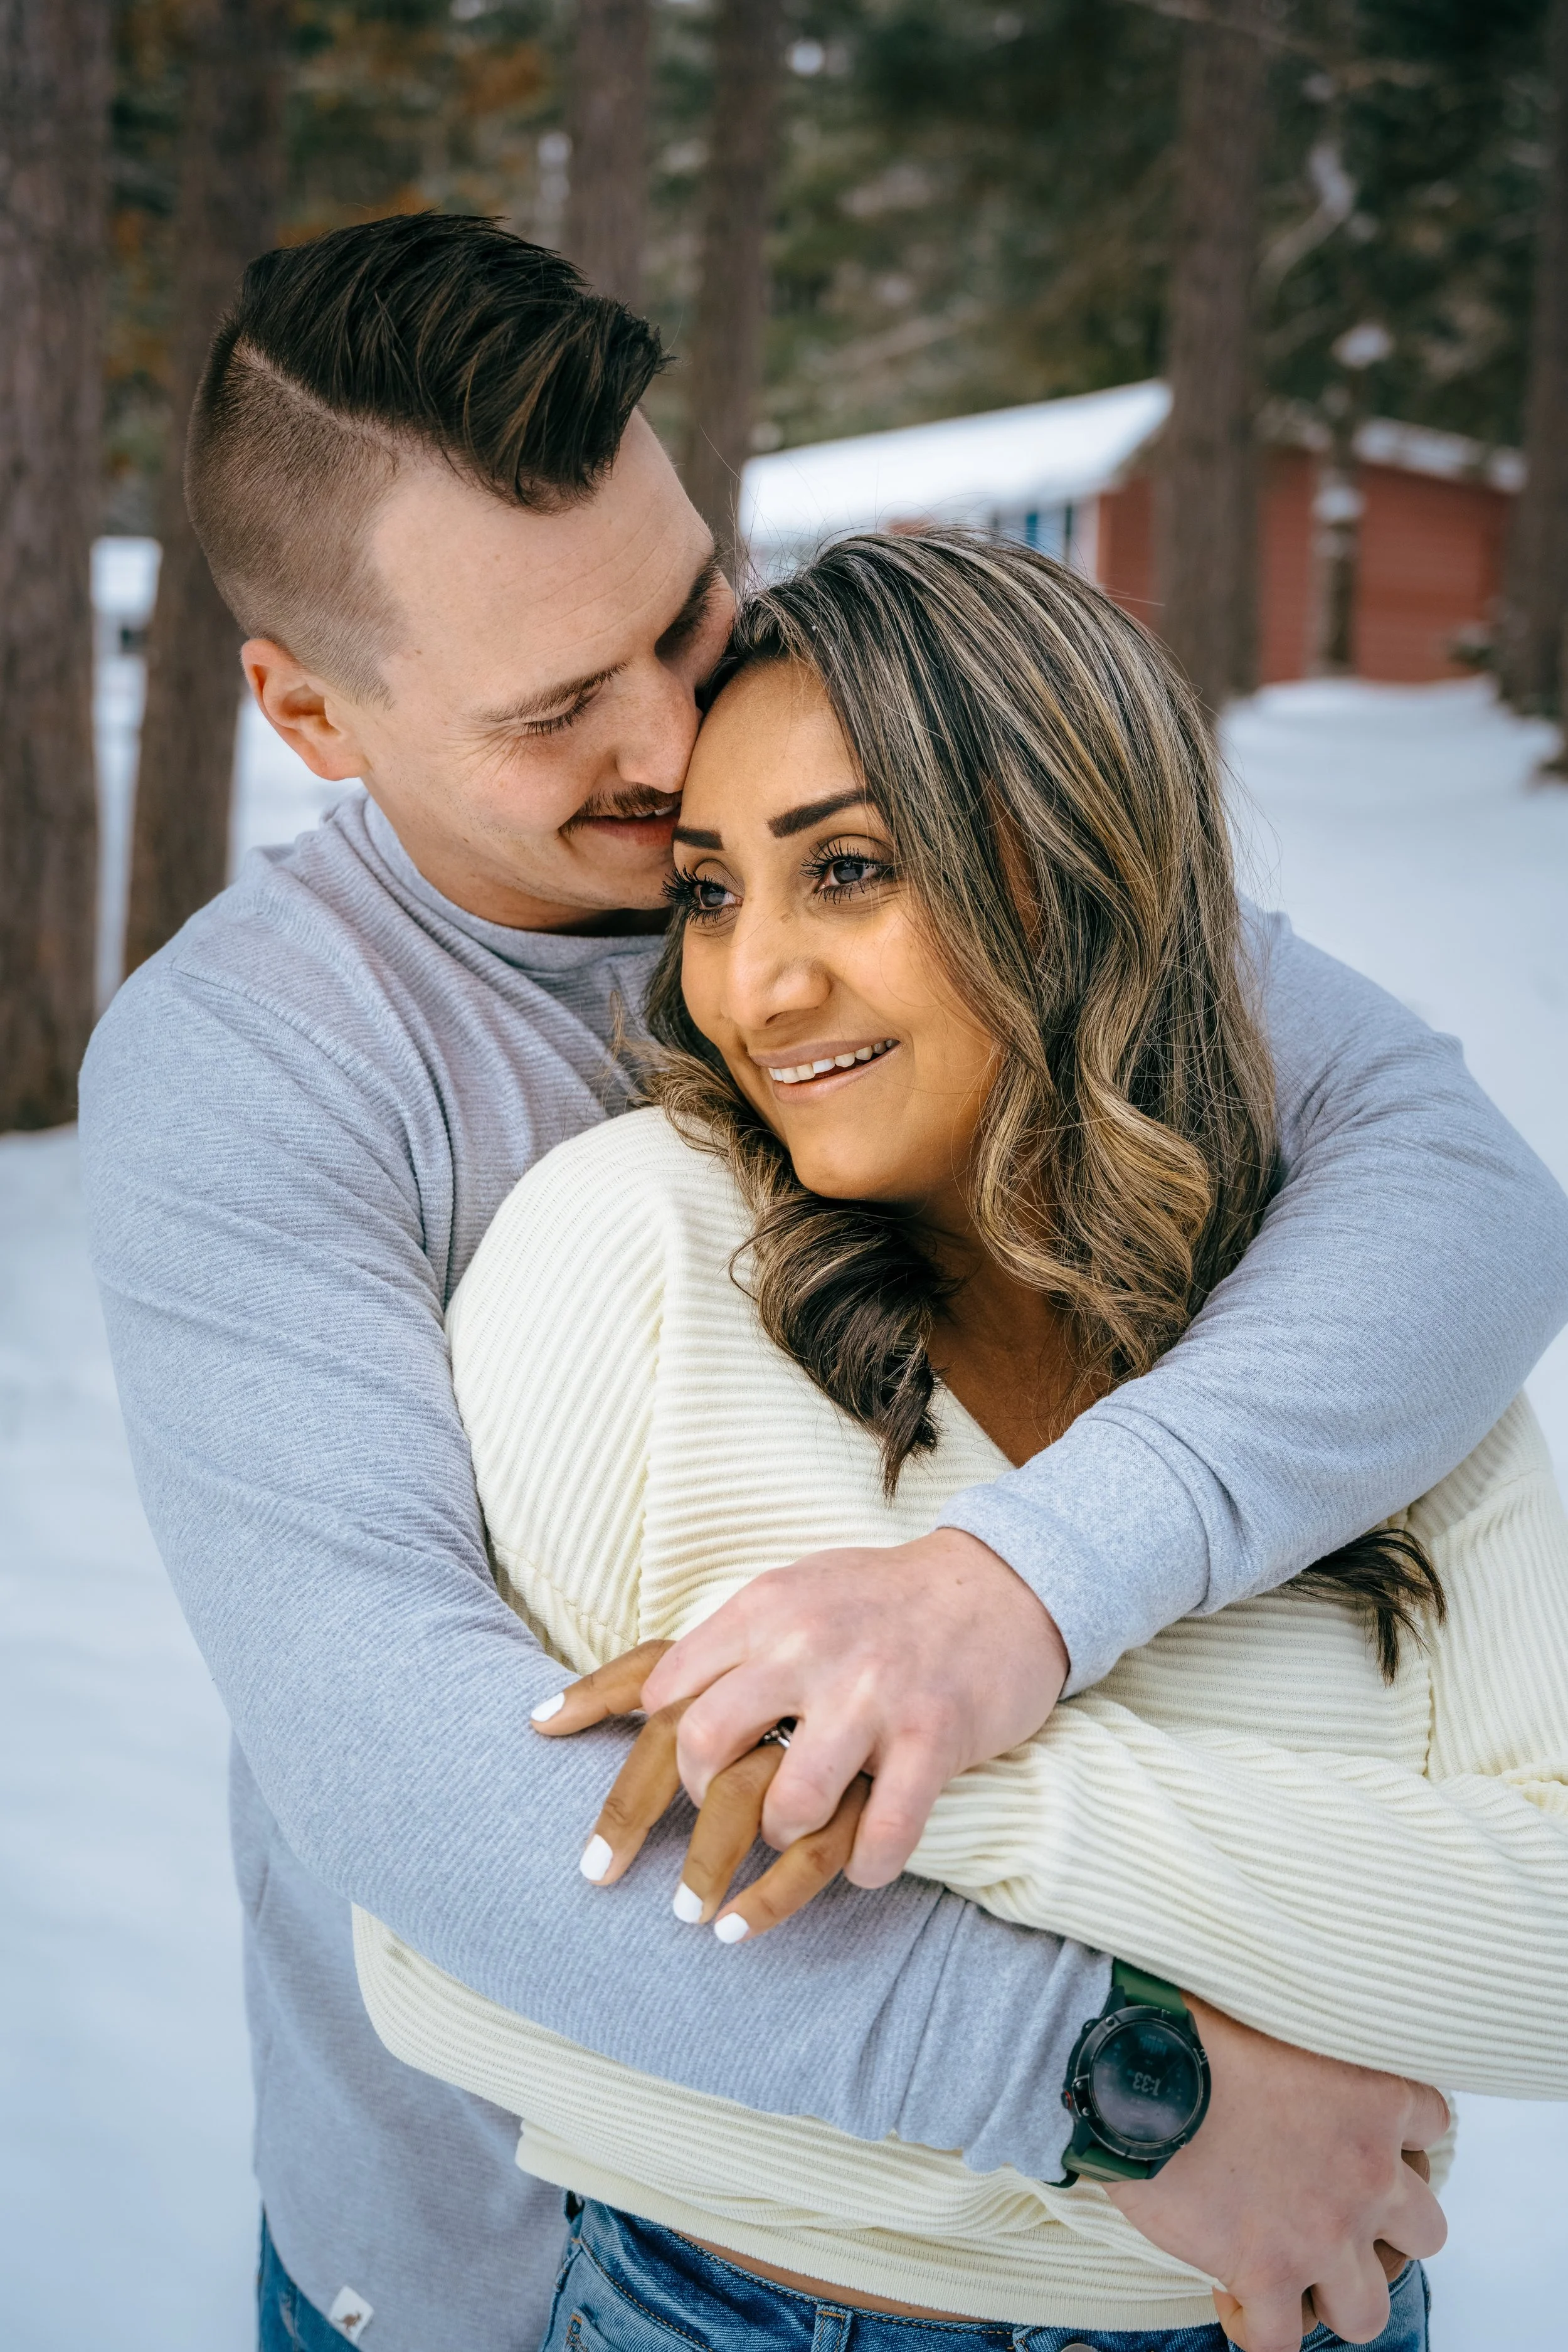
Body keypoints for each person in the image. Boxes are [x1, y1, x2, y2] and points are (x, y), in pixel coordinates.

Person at [77, 215, 1568, 2352]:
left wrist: (1018, 1593)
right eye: (558, 710)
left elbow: (1450, 1188)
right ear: (309, 708)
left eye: (692, 611)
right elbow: (410, 1766)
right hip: (512, 2260)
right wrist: (1115, 2086)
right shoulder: (257, 1071)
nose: (688, 734)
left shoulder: (945, 846)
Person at [360, 531, 1568, 2352]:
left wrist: (901, 1770)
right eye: (707, 891)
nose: (751, 984)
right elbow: (451, 1961)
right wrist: (1150, 2089)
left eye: (845, 869)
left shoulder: (1354, 1327)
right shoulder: (626, 1252)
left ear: (1073, 860)